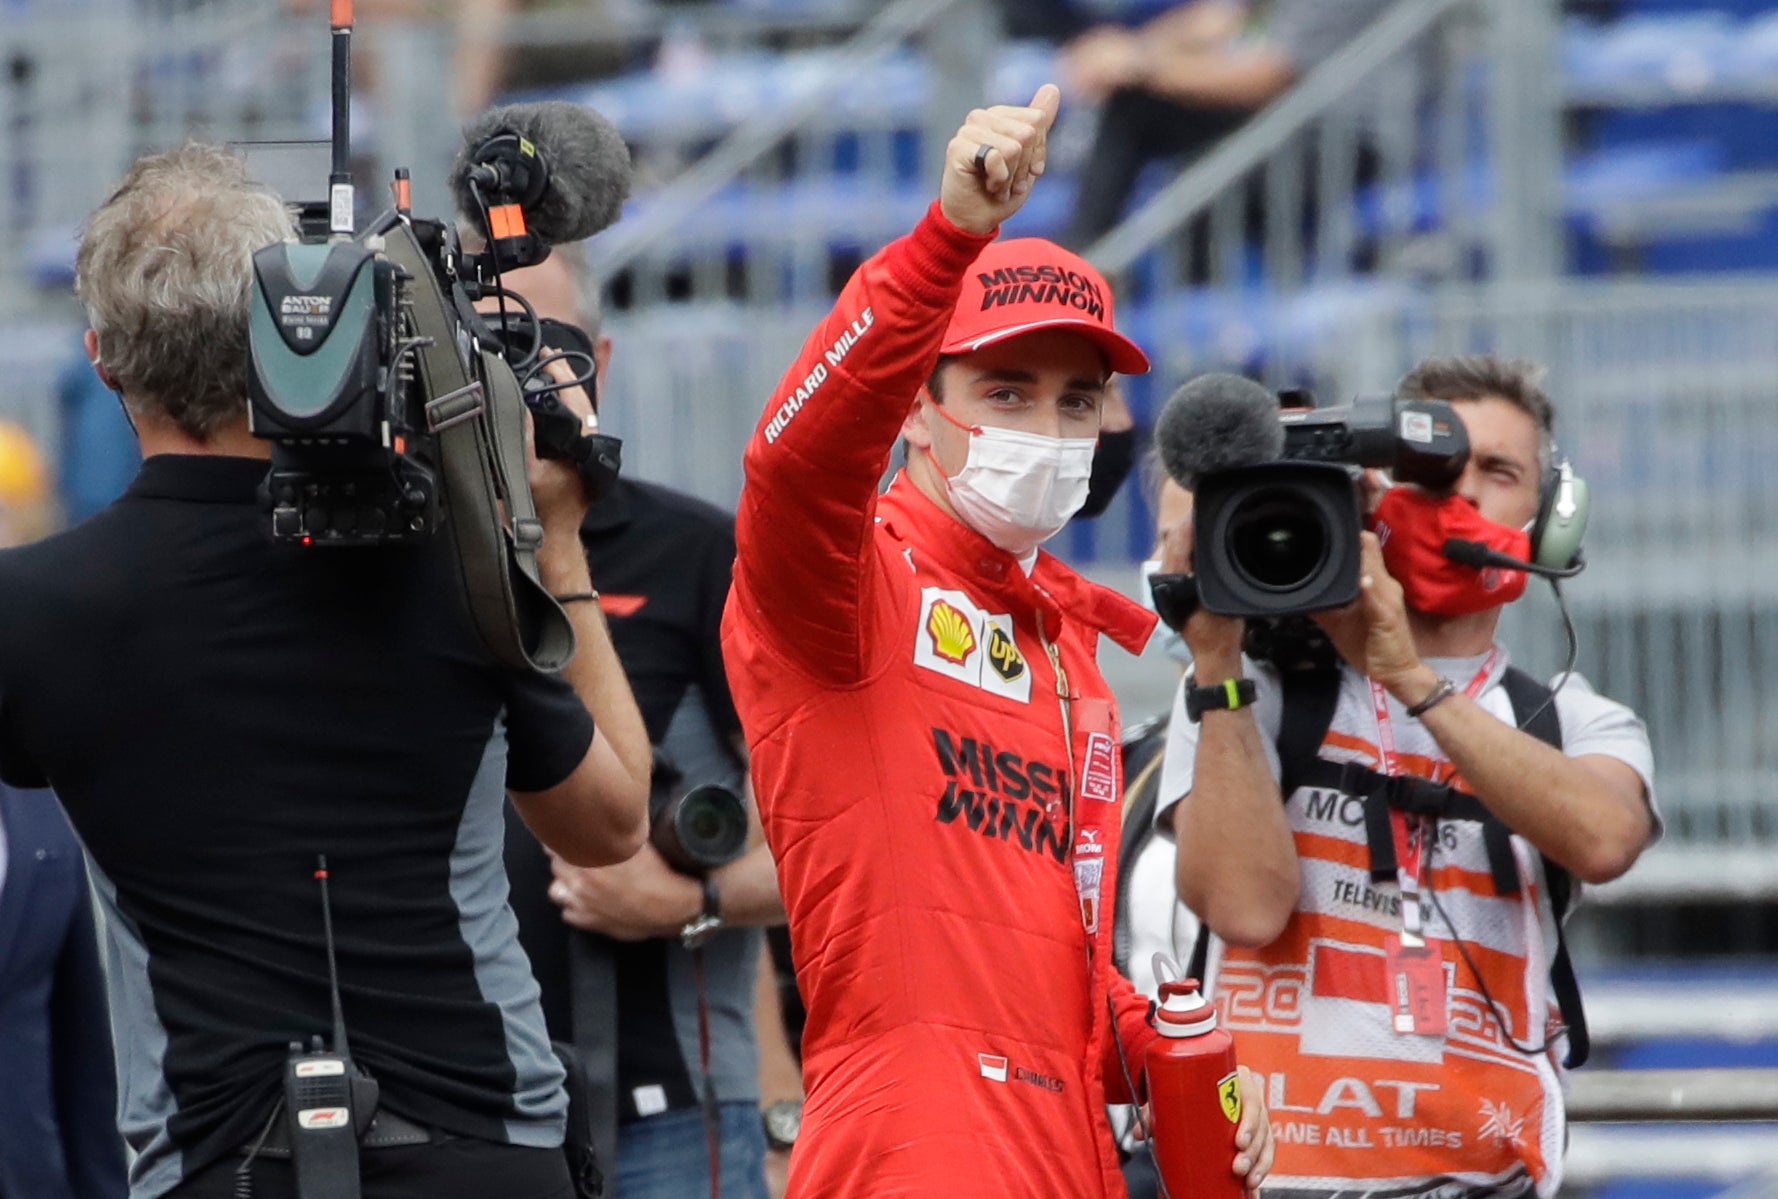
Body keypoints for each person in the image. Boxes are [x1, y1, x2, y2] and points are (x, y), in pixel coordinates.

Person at [0, 144, 652, 1198]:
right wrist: (553, 543)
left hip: (219, 1160)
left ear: (101, 358)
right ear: (292, 331)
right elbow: (611, 824)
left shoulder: (32, 608)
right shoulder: (455, 564)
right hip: (485, 1145)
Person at [721, 84, 1273, 1199]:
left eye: (1077, 402)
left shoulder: (1069, 651)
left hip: (1060, 1146)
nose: (1048, 428)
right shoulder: (845, 583)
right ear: (914, 408)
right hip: (909, 1140)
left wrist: (1173, 1050)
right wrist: (945, 242)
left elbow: (1045, 972)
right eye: (1005, 389)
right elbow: (793, 464)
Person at [1161, 356, 1658, 1198]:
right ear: (1370, 496)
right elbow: (1242, 907)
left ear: (1550, 517)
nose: (1459, 494)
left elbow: (1606, 838)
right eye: (1432, 470)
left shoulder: (1574, 718)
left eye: (1499, 472)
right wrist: (1219, 660)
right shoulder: (1254, 690)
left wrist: (1411, 682)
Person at [494, 246, 788, 1199]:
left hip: (673, 1116)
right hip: (456, 1113)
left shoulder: (698, 550)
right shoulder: (382, 560)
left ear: (601, 365)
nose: (518, 369)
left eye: (544, 342)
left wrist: (692, 902)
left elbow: (842, 839)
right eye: (486, 342)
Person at [1061, 0, 1395, 247]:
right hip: (1292, 126)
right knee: (1134, 106)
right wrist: (1121, 51)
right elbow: (1215, 18)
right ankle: (1085, 254)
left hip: (1351, 142)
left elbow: (1271, 78)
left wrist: (1139, 63)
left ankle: (1096, 269)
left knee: (1199, 188)